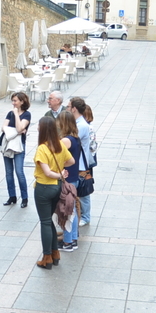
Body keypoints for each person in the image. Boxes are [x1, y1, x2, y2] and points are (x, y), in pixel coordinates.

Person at [33, 117, 74, 269]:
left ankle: (47, 257)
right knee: (48, 220)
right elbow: (71, 162)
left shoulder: (42, 148)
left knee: (44, 221)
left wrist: (59, 174)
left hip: (44, 187)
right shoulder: (59, 145)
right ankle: (55, 253)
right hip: (57, 188)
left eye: (39, 125)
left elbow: (47, 172)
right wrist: (62, 171)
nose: (37, 127)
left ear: (43, 129)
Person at [57, 110, 83, 251]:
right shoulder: (75, 138)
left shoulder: (65, 141)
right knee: (72, 210)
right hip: (74, 178)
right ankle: (73, 239)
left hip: (67, 180)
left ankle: (67, 242)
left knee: (67, 211)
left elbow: (57, 156)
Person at [0, 92, 31, 208]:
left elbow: (20, 127)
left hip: (19, 145)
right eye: (12, 101)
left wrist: (17, 115)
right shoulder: (10, 113)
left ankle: (24, 197)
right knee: (8, 172)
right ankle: (11, 196)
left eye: (15, 101)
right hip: (8, 144)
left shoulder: (27, 115)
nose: (13, 103)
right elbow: (3, 128)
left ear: (22, 102)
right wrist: (17, 131)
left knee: (19, 171)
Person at [68, 97, 94, 227]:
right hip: (76, 163)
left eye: (68, 106)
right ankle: (80, 214)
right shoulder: (76, 123)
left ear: (74, 109)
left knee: (83, 191)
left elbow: (71, 140)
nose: (67, 109)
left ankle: (85, 216)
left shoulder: (82, 125)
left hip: (81, 165)